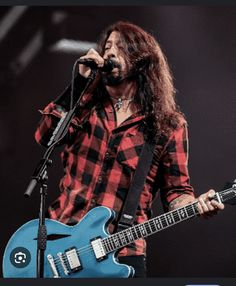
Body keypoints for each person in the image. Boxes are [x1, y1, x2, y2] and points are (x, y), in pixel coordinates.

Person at [35, 21, 224, 277]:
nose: (109, 53)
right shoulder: (85, 105)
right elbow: (45, 136)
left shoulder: (167, 125)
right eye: (107, 46)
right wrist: (77, 85)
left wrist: (197, 204)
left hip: (122, 254)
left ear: (140, 59)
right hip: (59, 245)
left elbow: (177, 191)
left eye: (120, 48)